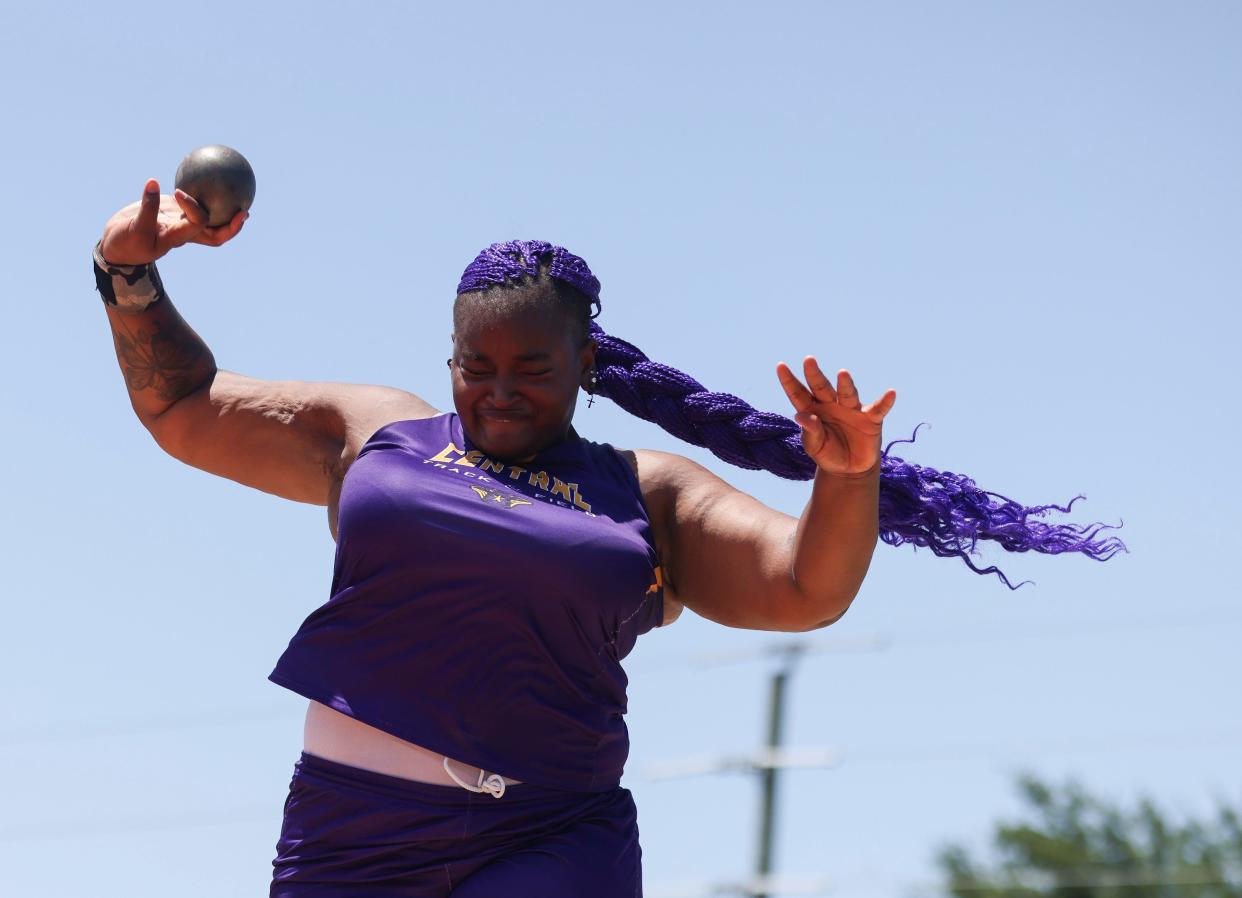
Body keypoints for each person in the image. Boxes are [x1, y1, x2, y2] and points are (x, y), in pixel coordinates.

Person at [94, 179, 1114, 896]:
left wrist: (846, 478)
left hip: (550, 836)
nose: (496, 390)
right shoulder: (383, 432)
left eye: (529, 367)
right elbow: (183, 405)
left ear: (587, 362)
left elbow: (805, 586)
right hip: (352, 829)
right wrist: (127, 274)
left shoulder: (644, 490)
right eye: (473, 364)